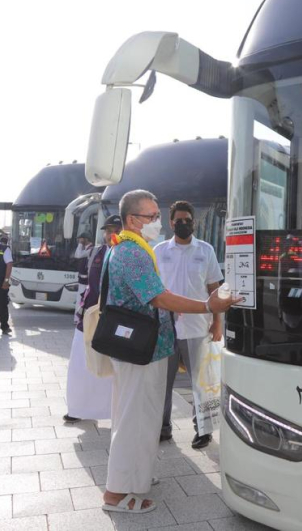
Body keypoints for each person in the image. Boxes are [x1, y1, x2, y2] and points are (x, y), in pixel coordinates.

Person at [101, 190, 239, 515]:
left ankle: (138, 476)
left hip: (150, 349)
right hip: (139, 351)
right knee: (134, 421)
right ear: (133, 219)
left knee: (145, 418)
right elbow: (159, 297)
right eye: (152, 217)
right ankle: (117, 494)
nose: (158, 223)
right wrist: (207, 305)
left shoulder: (136, 247)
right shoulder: (132, 253)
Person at [156, 201, 223, 448]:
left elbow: (214, 290)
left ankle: (203, 430)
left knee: (201, 381)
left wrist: (217, 324)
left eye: (187, 220)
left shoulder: (205, 250)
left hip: (198, 327)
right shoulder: (159, 251)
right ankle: (162, 428)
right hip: (166, 329)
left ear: (193, 222)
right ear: (171, 223)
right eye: (178, 220)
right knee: (163, 382)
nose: (183, 224)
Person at [63, 215, 122, 424]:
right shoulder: (96, 251)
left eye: (115, 230)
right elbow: (88, 284)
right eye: (107, 230)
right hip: (89, 317)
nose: (110, 234)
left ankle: (112, 411)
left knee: (112, 369)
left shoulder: (126, 254)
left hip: (113, 319)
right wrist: (81, 307)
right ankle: (78, 408)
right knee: (80, 362)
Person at [74, 232, 94, 296]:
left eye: (81, 239)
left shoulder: (91, 249)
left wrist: (80, 244)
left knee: (81, 299)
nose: (79, 240)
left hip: (85, 281)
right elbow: (76, 255)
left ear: (86, 239)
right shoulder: (85, 249)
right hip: (82, 280)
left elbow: (78, 255)